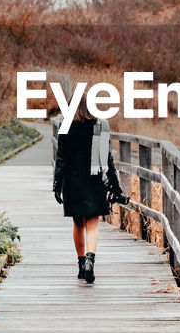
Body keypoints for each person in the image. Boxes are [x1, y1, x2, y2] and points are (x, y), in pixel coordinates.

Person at [52, 105, 128, 284]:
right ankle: (89, 260)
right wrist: (116, 187)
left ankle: (80, 266)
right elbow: (107, 159)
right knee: (92, 225)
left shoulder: (65, 127)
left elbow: (61, 159)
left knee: (78, 224)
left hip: (72, 181)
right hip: (94, 181)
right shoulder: (99, 126)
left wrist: (57, 185)